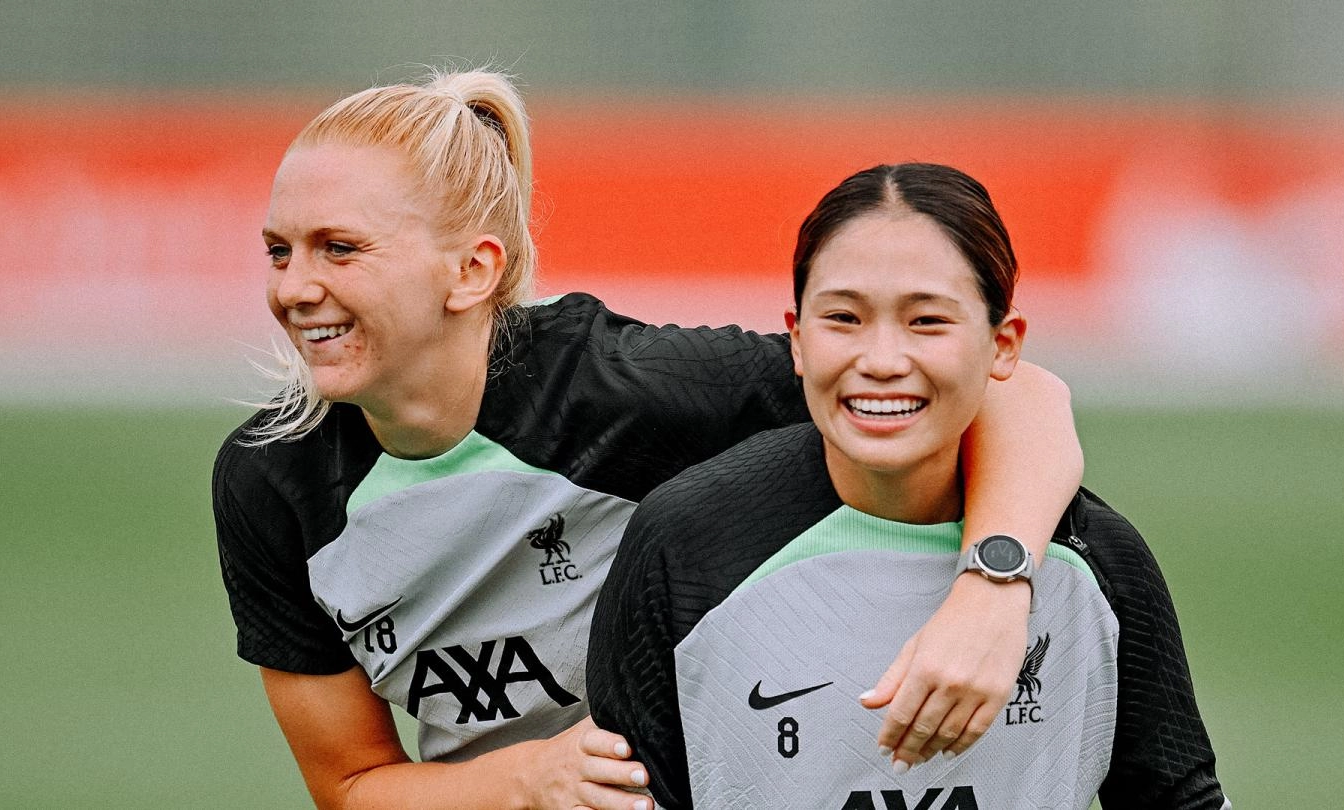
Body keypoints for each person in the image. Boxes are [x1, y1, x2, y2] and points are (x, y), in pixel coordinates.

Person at [212, 69, 1082, 810]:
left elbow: (1013, 392)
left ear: (471, 271)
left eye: (339, 249)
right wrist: (531, 777)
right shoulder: (272, 482)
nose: (296, 288)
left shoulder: (623, 386)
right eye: (279, 252)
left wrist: (991, 592)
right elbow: (354, 785)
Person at [587, 163, 1230, 809]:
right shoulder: (688, 544)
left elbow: (1180, 797)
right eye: (843, 317)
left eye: (927, 321)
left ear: (1004, 344)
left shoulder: (1097, 563)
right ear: (798, 338)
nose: (883, 361)